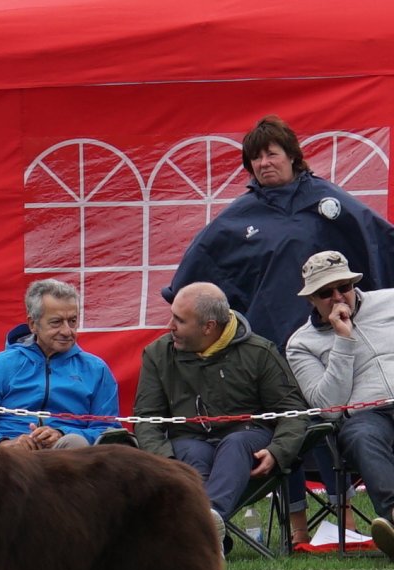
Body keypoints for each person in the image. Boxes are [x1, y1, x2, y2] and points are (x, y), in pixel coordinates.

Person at [162, 115, 394, 541]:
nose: (264, 163)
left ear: (292, 156)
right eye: (255, 158)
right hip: (275, 344)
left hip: (331, 338)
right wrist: (182, 299)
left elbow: (377, 239)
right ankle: (297, 529)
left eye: (271, 154)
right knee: (286, 425)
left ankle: (343, 525)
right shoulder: (241, 216)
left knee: (332, 426)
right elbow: (205, 260)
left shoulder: (328, 201)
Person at [134, 282, 308, 551]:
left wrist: (278, 450)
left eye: (179, 320)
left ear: (208, 327)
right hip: (188, 442)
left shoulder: (259, 352)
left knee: (235, 443)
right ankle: (211, 533)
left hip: (249, 439)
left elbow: (293, 412)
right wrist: (164, 460)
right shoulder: (158, 354)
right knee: (191, 452)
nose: (170, 325)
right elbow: (146, 418)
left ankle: (199, 528)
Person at [286, 250, 394, 559]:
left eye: (343, 287)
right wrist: (343, 340)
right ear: (311, 300)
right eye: (325, 293)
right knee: (362, 437)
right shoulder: (301, 343)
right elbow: (327, 405)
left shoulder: (390, 301)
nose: (338, 297)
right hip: (365, 415)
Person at [0, 279, 119, 448]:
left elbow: (108, 431)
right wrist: (4, 443)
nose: (66, 331)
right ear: (33, 324)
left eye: (72, 321)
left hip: (71, 457)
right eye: (56, 322)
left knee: (74, 443)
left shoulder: (96, 369)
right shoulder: (4, 364)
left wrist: (62, 433)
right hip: (10, 459)